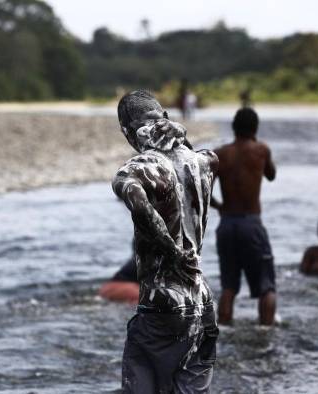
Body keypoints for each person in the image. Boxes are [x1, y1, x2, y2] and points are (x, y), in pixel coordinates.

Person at [113, 90, 219, 393]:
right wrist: (181, 137)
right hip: (201, 301)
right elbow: (203, 159)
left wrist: (172, 252)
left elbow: (136, 199)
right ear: (167, 120)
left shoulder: (135, 169)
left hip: (162, 304)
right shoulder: (203, 162)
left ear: (127, 132)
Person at [210, 107, 277, 326]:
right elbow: (271, 175)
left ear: (233, 128)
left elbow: (200, 189)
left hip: (227, 224)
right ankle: (266, 331)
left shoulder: (219, 154)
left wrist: (218, 206)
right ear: (255, 128)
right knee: (266, 286)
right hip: (251, 222)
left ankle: (224, 329)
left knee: (229, 286)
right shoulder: (261, 150)